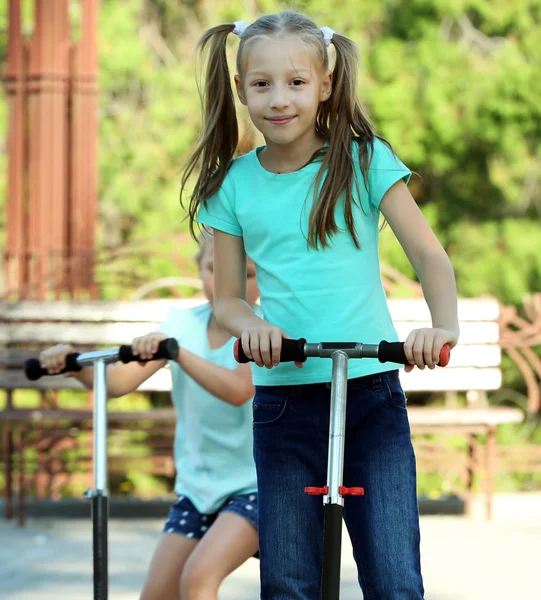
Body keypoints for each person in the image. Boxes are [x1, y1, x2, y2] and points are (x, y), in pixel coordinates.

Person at [180, 10, 461, 600]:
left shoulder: (362, 159)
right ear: (240, 91)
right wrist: (253, 324)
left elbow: (430, 257)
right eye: (261, 84)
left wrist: (439, 327)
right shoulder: (231, 185)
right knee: (287, 581)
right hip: (285, 399)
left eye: (296, 82)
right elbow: (227, 298)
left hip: (372, 394)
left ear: (325, 85)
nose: (279, 99)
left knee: (393, 578)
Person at [39, 233, 261, 600]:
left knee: (197, 580)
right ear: (199, 269)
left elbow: (238, 391)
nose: (225, 282)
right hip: (198, 488)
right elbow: (115, 383)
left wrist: (177, 354)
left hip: (254, 487)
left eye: (245, 273)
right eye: (213, 269)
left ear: (263, 278)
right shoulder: (181, 325)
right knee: (156, 594)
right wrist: (74, 364)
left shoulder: (260, 330)